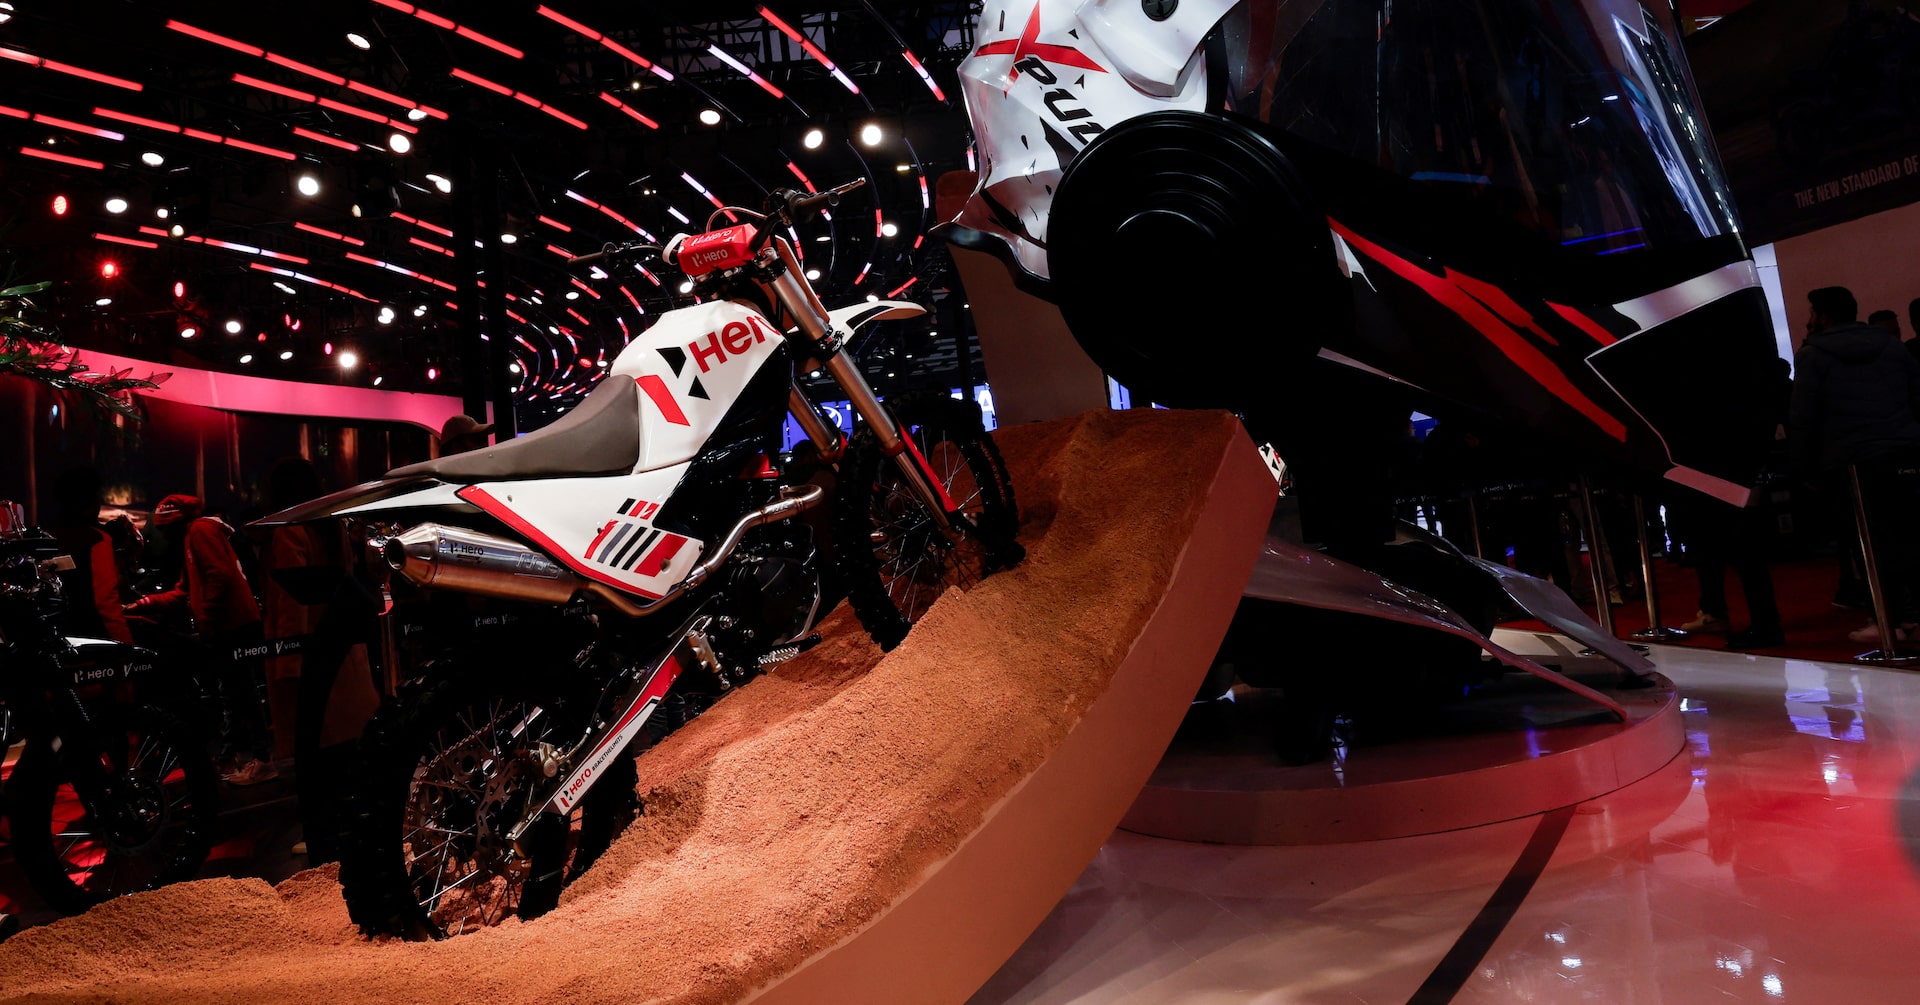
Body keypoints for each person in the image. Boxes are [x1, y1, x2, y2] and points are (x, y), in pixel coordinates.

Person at [259, 458, 381, 859]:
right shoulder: (332, 526)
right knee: (348, 761)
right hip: (345, 658)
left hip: (311, 661)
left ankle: (325, 849)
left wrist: (287, 665)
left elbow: (290, 606)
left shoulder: (288, 531)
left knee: (316, 768)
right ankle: (354, 837)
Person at [1789, 286, 1920, 643]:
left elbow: (1803, 417)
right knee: (1907, 535)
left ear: (1822, 316)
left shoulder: (1813, 355)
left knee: (1867, 543)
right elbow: (1916, 395)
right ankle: (1909, 614)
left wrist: (1803, 466)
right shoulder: (1891, 346)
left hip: (1850, 460)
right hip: (1902, 451)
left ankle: (1887, 619)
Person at [126, 493, 276, 784]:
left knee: (241, 694)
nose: (163, 536)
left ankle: (263, 761)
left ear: (176, 522)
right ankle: (233, 757)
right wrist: (143, 604)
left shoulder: (200, 531)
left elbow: (220, 576)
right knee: (233, 693)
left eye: (165, 529)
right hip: (228, 624)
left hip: (232, 624)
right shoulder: (192, 536)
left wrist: (206, 618)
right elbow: (184, 589)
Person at [45, 466, 133, 645]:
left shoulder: (48, 536)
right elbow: (105, 602)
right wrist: (126, 645)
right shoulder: (97, 539)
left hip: (58, 636)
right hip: (94, 639)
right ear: (90, 502)